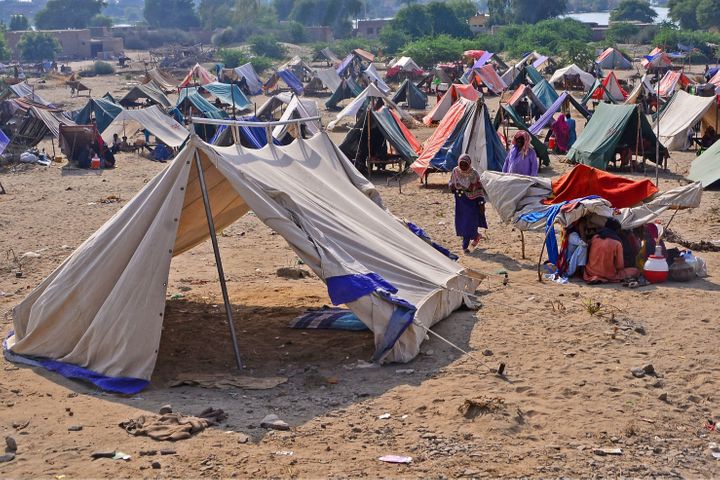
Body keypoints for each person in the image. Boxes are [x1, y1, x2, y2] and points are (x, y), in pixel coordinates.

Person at [449, 154, 487, 253]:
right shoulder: (456, 171)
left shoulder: (474, 174)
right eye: (461, 164)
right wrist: (452, 187)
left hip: (471, 202)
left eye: (465, 165)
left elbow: (479, 190)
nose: (463, 167)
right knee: (463, 223)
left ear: (469, 164)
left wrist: (481, 203)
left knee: (470, 223)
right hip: (460, 201)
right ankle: (474, 238)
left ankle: (466, 245)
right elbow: (451, 183)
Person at [583, 219, 640, 284]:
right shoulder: (617, 243)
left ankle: (597, 277)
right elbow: (619, 266)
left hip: (590, 272)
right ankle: (602, 278)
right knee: (635, 271)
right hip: (608, 274)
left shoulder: (595, 237)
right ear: (617, 230)